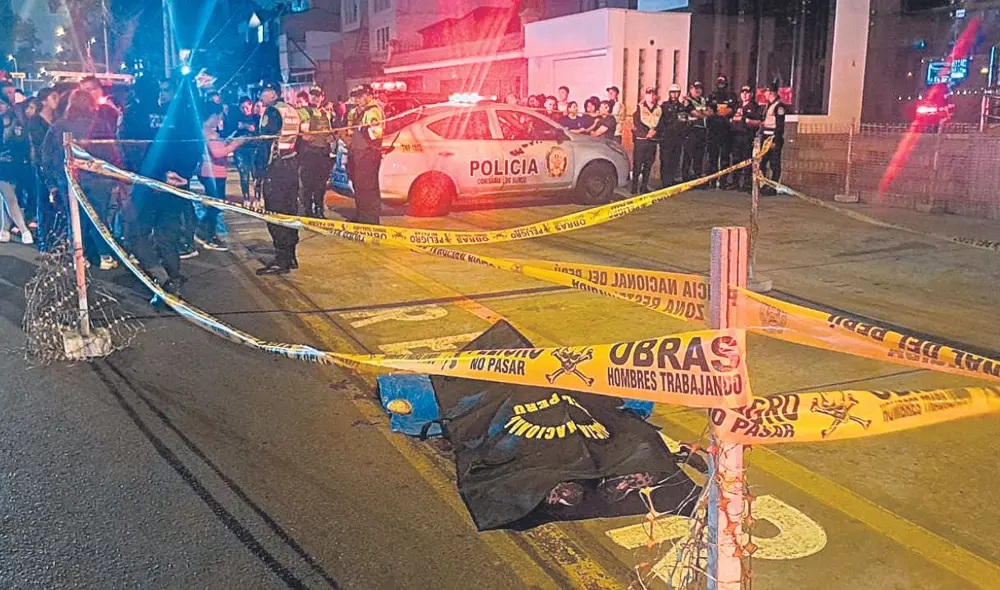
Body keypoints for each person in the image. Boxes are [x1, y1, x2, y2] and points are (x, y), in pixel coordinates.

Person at [118, 78, 202, 291]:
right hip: (173, 183)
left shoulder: (133, 115)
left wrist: (147, 176)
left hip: (147, 185)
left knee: (136, 233)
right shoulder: (176, 115)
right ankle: (173, 275)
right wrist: (183, 173)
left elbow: (130, 150)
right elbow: (194, 145)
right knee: (167, 234)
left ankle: (162, 278)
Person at [255, 84, 302, 275]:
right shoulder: (291, 110)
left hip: (276, 168)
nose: (259, 96)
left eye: (263, 92)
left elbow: (267, 143)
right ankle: (291, 256)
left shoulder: (272, 112)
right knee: (290, 211)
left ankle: (281, 259)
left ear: (273, 94)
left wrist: (259, 172)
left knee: (275, 212)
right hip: (291, 164)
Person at [197, 103, 246, 250]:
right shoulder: (210, 133)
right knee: (215, 206)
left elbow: (217, 148)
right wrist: (236, 144)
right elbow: (218, 153)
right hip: (213, 173)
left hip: (211, 172)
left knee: (216, 204)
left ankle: (204, 230)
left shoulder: (206, 131)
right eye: (219, 116)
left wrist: (225, 143)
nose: (220, 119)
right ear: (213, 116)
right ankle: (208, 235)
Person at [346, 83, 385, 226]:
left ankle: (370, 221)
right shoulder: (359, 111)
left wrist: (361, 130)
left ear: (369, 95)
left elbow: (376, 134)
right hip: (359, 154)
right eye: (355, 97)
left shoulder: (373, 111)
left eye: (360, 96)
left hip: (368, 154)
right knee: (360, 188)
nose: (357, 99)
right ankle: (362, 216)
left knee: (368, 189)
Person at [25, 88, 59, 249]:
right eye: (53, 97)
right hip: (41, 165)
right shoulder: (35, 121)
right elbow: (38, 145)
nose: (57, 100)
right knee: (43, 201)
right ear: (44, 101)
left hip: (57, 165)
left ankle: (57, 236)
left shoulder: (58, 120)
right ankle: (44, 239)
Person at [299, 86, 335, 218]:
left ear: (322, 97)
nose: (314, 98)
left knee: (321, 184)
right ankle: (307, 210)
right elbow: (295, 130)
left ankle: (319, 209)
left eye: (317, 95)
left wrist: (332, 137)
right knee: (308, 184)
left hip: (323, 154)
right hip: (309, 153)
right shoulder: (302, 112)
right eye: (312, 94)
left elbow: (332, 130)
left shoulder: (326, 113)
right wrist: (302, 137)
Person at [0, 96, 32, 244]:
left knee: (7, 199)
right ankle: (24, 230)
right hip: (1, 167)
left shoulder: (17, 123)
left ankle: (4, 230)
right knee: (10, 198)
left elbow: (23, 145)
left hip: (14, 166)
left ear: (8, 105)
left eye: (2, 103)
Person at [730, 85, 762, 192]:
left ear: (751, 94)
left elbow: (759, 121)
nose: (744, 94)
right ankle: (735, 182)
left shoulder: (754, 107)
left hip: (747, 136)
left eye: (747, 92)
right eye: (742, 92)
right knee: (736, 159)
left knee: (747, 160)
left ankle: (746, 183)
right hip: (735, 136)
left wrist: (748, 121)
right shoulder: (737, 106)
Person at [707, 75, 737, 188]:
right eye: (719, 82)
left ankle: (723, 182)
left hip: (726, 131)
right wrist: (719, 111)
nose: (721, 85)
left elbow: (731, 109)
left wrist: (722, 111)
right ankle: (712, 181)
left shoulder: (731, 96)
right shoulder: (712, 96)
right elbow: (709, 111)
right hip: (713, 131)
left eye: (722, 82)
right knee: (712, 158)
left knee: (725, 157)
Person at [631, 87, 661, 194]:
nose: (651, 96)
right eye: (649, 94)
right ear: (645, 96)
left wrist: (655, 131)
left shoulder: (659, 109)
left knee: (648, 164)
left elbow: (662, 122)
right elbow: (637, 122)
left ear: (656, 96)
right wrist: (647, 132)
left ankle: (644, 187)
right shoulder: (639, 107)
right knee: (637, 164)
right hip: (641, 140)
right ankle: (634, 188)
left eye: (653, 94)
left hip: (652, 140)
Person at [657, 84, 687, 188]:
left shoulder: (681, 107)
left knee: (675, 160)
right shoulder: (664, 106)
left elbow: (683, 121)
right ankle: (665, 182)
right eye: (673, 92)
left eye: (677, 92)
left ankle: (671, 180)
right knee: (665, 160)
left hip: (677, 138)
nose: (674, 95)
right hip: (666, 138)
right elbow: (660, 121)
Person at [231, 97, 259, 207]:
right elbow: (231, 131)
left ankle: (257, 197)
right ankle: (246, 197)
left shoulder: (257, 117)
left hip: (254, 148)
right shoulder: (235, 118)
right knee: (243, 174)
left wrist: (248, 127)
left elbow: (260, 131)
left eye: (247, 107)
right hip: (240, 150)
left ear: (251, 105)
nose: (245, 109)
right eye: (242, 107)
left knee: (256, 174)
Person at [759, 83, 787, 195]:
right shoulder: (769, 105)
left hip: (773, 138)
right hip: (766, 137)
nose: (764, 94)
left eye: (766, 92)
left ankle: (773, 187)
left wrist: (775, 140)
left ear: (771, 92)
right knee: (762, 162)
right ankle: (763, 185)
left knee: (774, 164)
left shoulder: (779, 106)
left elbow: (780, 125)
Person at [683, 81, 711, 183]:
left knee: (699, 155)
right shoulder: (687, 101)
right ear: (691, 89)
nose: (698, 90)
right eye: (695, 88)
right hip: (691, 130)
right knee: (688, 155)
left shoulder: (703, 100)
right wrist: (703, 113)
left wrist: (702, 113)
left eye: (699, 88)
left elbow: (710, 112)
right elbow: (695, 113)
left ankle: (697, 177)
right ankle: (685, 178)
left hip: (702, 131)